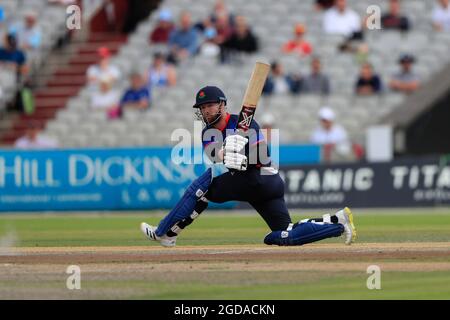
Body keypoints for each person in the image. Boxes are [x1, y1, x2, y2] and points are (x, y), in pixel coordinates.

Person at [140, 86, 357, 247]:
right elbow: (214, 155)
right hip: (252, 186)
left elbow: (262, 157)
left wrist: (243, 156)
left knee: (203, 187)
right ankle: (337, 223)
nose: (206, 111)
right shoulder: (207, 132)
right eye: (203, 107)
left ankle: (165, 232)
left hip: (263, 179)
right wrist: (227, 152)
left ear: (223, 105)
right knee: (285, 234)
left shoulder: (246, 123)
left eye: (210, 105)